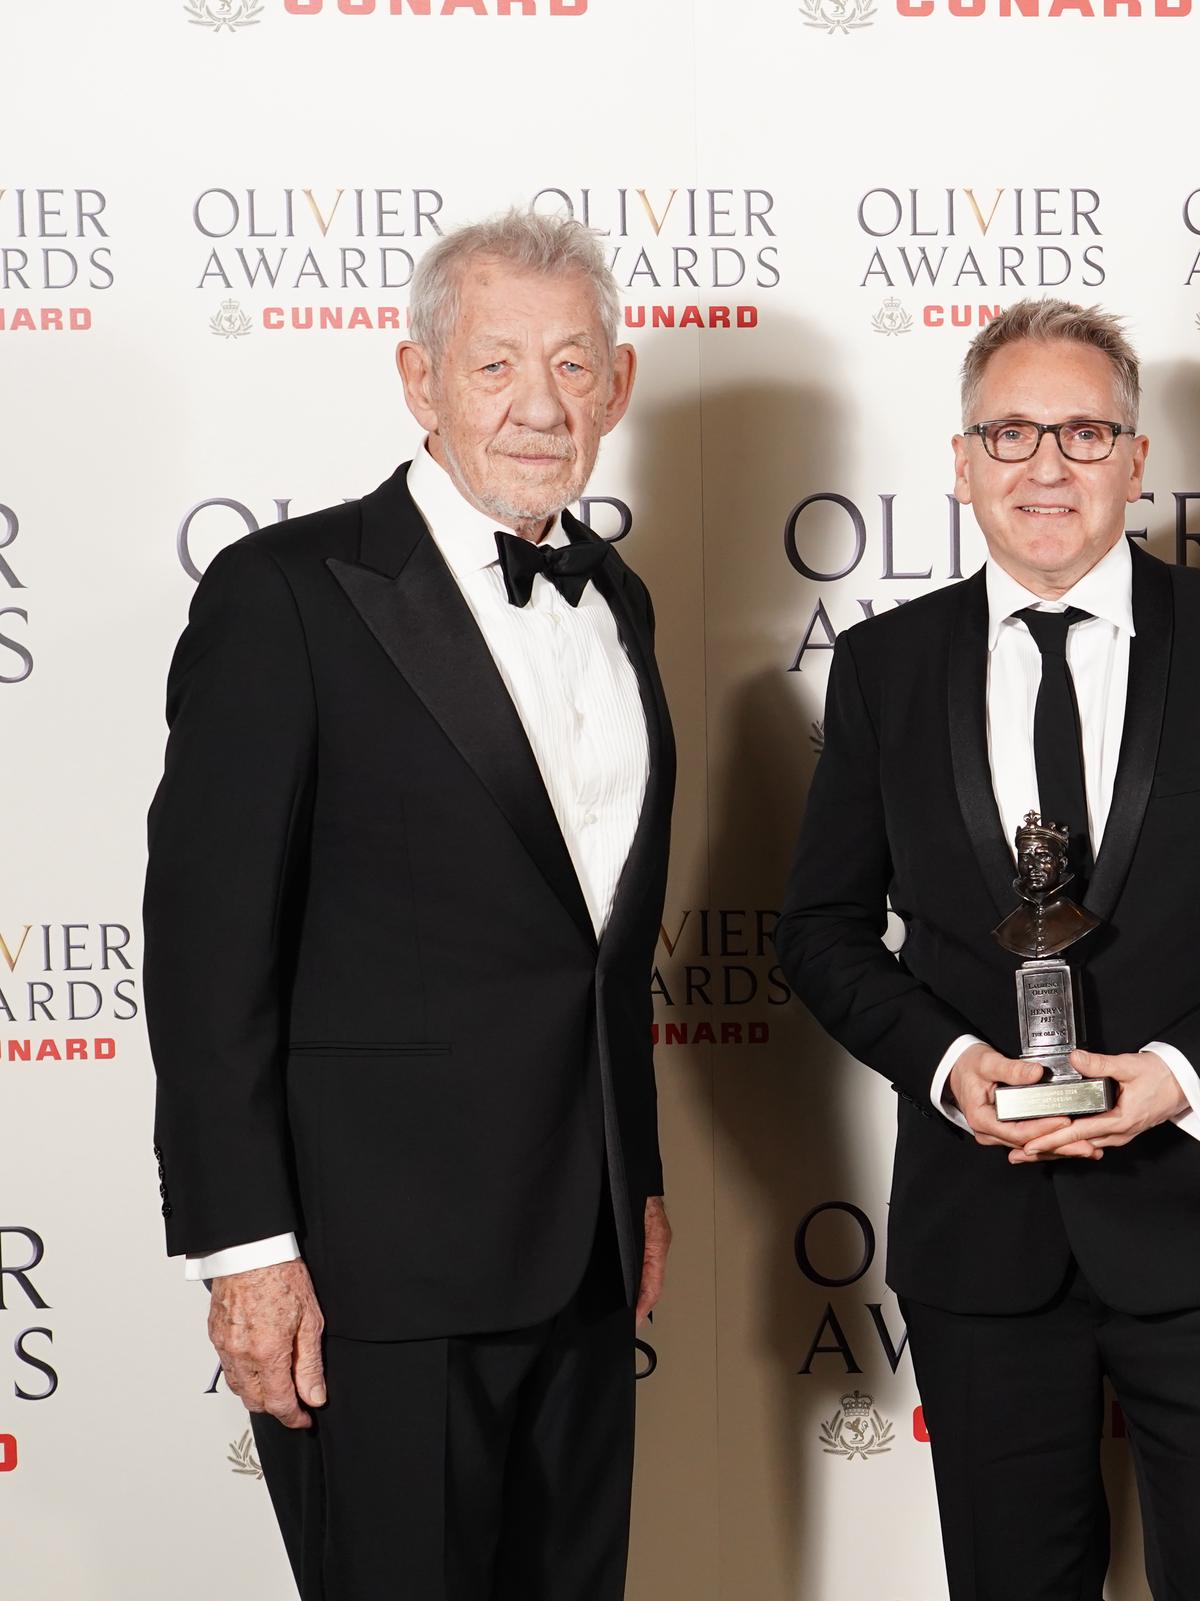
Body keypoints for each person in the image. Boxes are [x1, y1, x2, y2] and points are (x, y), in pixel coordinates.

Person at [779, 298, 1200, 1600]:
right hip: (979, 1235)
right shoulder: (886, 666)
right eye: (1009, 432)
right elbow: (820, 931)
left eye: (1082, 431)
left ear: (1137, 455)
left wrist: (1185, 1071)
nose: (1045, 465)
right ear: (958, 459)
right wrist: (950, 1068)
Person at [145, 210, 675, 1601]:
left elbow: (595, 947)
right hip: (371, 1273)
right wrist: (248, 1249)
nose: (541, 403)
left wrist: (644, 1174)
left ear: (617, 388)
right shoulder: (287, 597)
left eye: (574, 364)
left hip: (585, 1253)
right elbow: (208, 958)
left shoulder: (620, 600)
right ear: (417, 377)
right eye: (496, 364)